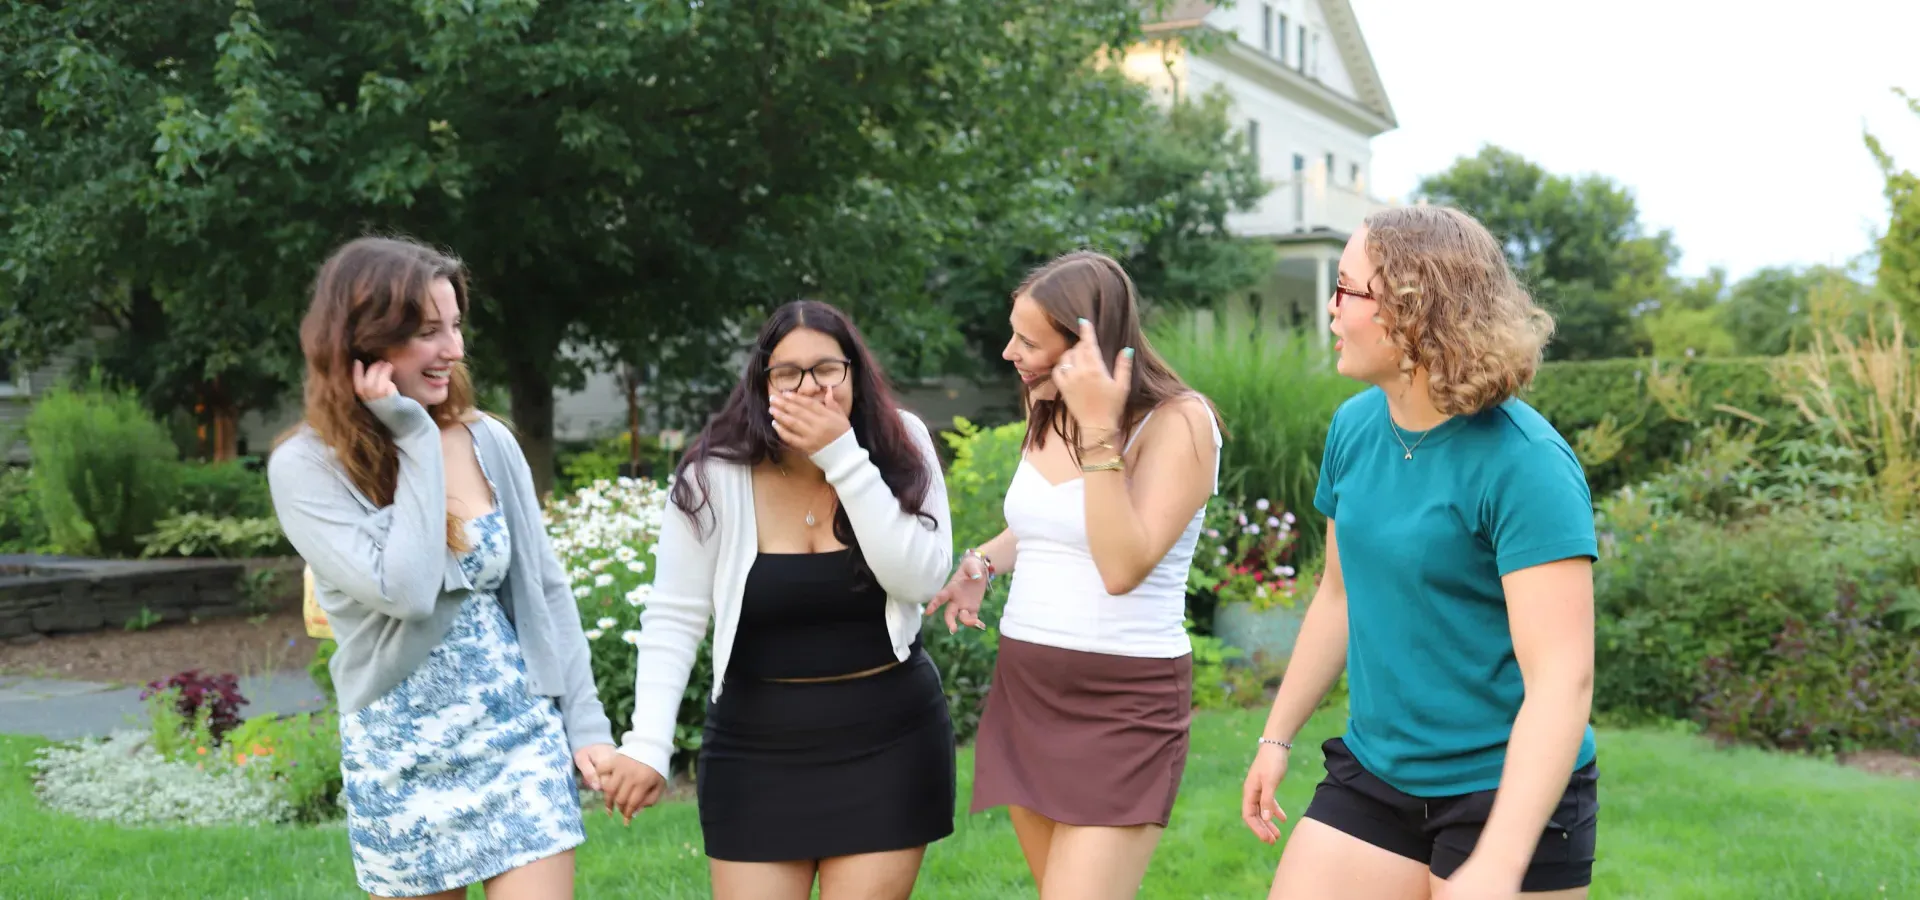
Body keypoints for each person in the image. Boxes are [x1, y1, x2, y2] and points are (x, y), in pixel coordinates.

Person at [1240, 205, 1601, 900]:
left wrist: (1498, 861)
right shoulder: (1354, 427)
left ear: (1413, 311)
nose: (1331, 308)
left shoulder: (1526, 464)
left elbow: (1563, 683)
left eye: (1347, 289)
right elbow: (1338, 597)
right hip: (1379, 772)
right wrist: (1275, 738)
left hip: (1506, 785)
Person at [268, 236, 618, 900]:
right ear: (365, 340)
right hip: (400, 754)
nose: (454, 350)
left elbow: (544, 590)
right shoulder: (304, 467)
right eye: (429, 332)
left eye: (455, 326)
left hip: (516, 737)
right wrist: (415, 437)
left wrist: (586, 725)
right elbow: (406, 590)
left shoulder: (489, 440)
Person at [594, 300, 956, 900]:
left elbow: (917, 578)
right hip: (756, 746)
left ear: (854, 375)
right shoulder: (713, 473)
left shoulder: (901, 443)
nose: (810, 387)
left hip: (888, 740)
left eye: (827, 370)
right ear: (763, 383)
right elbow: (675, 616)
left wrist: (844, 457)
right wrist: (649, 744)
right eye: (788, 373)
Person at [926, 250, 1223, 899]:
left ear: (1089, 342)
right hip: (1028, 690)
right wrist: (983, 560)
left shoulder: (1179, 423)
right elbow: (1048, 522)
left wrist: (1097, 428)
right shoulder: (1047, 405)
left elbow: (1122, 564)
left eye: (1028, 340)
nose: (1009, 353)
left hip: (1124, 705)